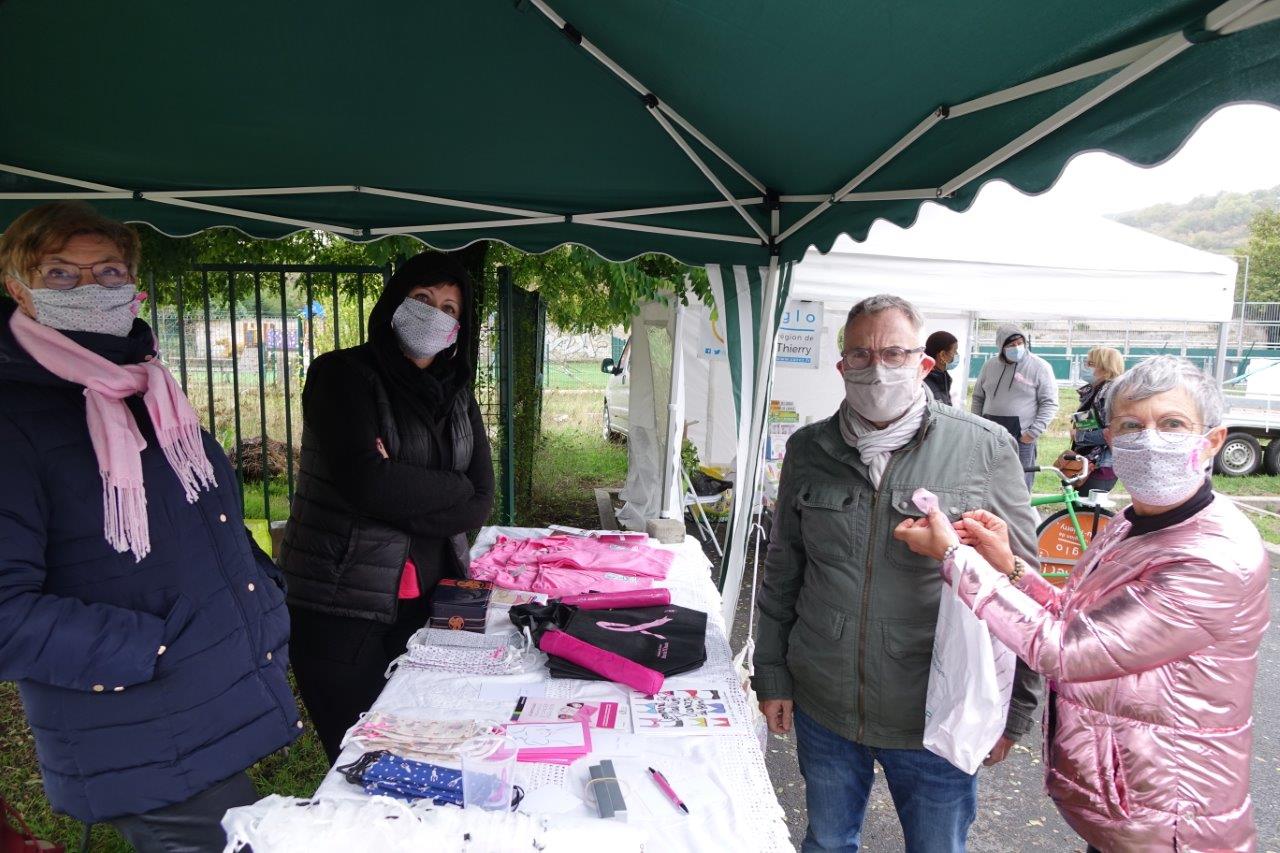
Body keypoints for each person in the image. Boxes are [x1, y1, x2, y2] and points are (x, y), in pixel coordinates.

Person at [0, 202, 300, 850]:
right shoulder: (14, 416)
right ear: (17, 286)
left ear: (133, 286)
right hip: (136, 728)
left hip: (201, 709)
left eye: (107, 272)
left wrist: (264, 595)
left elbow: (207, 516)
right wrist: (155, 649)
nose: (89, 288)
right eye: (61, 274)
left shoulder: (144, 387)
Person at [894, 356, 1269, 852]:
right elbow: (1080, 618)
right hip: (1132, 804)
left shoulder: (1213, 558)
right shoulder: (1137, 521)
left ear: (1213, 441)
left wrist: (952, 556)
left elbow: (1065, 651)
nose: (1150, 439)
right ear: (1111, 440)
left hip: (1174, 821)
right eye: (1133, 425)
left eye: (1172, 424)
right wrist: (1009, 564)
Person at [752, 294, 1043, 853]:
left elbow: (1020, 586)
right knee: (828, 841)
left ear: (924, 364)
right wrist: (773, 675)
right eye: (860, 355)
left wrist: (1015, 712)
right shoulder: (809, 449)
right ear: (842, 367)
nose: (876, 368)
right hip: (827, 703)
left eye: (893, 352)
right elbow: (783, 571)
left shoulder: (983, 448)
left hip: (936, 708)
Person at [281, 251, 494, 762]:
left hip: (436, 596)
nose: (435, 315)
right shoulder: (342, 375)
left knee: (429, 744)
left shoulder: (457, 390)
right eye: (423, 300)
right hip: (343, 603)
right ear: (396, 303)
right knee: (363, 756)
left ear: (459, 326)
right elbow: (366, 484)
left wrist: (404, 482)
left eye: (449, 308)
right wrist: (452, 487)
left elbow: (482, 497)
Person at [971, 324, 1058, 491]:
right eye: (1011, 345)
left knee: (1019, 484)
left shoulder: (1040, 366)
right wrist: (978, 425)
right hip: (990, 435)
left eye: (1019, 343)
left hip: (1022, 438)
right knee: (987, 481)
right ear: (1001, 347)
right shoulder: (989, 365)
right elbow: (978, 397)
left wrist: (1032, 433)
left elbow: (1049, 402)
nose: (1016, 347)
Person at [1069, 346, 1123, 493]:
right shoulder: (1095, 390)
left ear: (1106, 368)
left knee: (1086, 513)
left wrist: (1079, 435)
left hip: (1100, 466)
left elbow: (1112, 432)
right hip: (1087, 461)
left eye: (1091, 364)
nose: (1085, 367)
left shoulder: (1110, 393)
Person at [923, 330, 958, 404]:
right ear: (942, 355)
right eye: (954, 350)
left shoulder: (943, 378)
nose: (957, 354)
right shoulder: (924, 383)